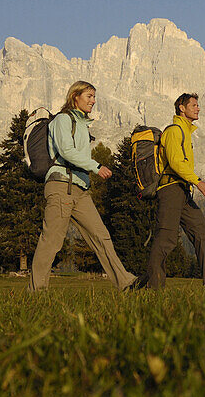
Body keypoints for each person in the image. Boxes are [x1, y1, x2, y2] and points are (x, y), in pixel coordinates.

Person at [29, 81, 137, 291]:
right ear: (75, 96)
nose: (93, 101)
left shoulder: (81, 124)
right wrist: (96, 166)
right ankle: (36, 292)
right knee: (51, 241)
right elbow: (67, 151)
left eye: (94, 97)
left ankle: (125, 283)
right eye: (89, 96)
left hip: (79, 188)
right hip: (62, 185)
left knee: (101, 235)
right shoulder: (63, 119)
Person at [138, 92, 205, 289]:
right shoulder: (174, 131)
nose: (198, 108)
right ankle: (153, 287)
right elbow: (176, 162)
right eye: (193, 105)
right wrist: (198, 182)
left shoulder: (185, 131)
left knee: (203, 235)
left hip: (182, 190)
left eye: (197, 105)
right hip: (170, 189)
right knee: (166, 238)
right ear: (181, 108)